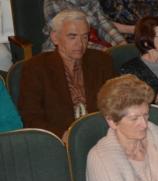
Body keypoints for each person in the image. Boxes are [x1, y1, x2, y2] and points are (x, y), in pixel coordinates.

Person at [19, 10, 114, 139]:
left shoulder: (101, 61)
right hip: (59, 139)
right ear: (55, 37)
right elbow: (30, 117)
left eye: (85, 36)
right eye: (72, 36)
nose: (80, 44)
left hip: (102, 134)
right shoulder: (35, 68)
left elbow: (118, 101)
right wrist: (61, 135)